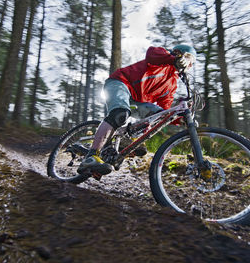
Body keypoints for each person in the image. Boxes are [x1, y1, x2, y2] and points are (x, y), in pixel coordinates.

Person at [77, 44, 197, 176]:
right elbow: (151, 54)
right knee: (120, 114)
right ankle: (91, 156)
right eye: (188, 59)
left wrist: (179, 120)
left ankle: (123, 142)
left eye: (191, 63)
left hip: (137, 101)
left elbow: (165, 109)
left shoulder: (172, 84)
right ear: (178, 53)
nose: (189, 65)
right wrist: (172, 59)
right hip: (120, 83)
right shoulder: (162, 58)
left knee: (159, 116)